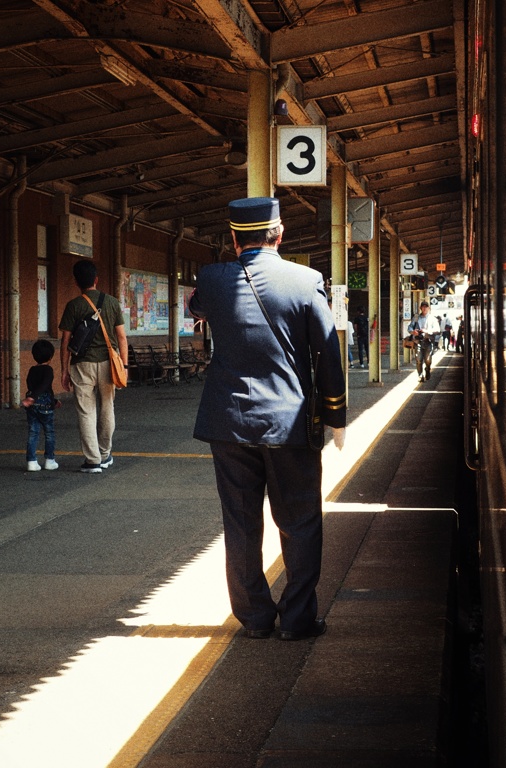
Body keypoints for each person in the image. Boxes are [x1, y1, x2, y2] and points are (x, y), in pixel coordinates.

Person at [188, 197, 347, 642]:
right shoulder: (306, 280)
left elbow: (196, 307)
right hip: (289, 424)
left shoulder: (213, 279)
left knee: (240, 522)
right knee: (299, 522)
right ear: (279, 235)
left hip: (229, 424)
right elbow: (327, 349)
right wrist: (335, 413)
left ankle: (256, 619)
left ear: (234, 238)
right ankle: (296, 620)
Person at [58, 259, 128, 474]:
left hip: (82, 365)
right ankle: (105, 454)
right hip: (109, 362)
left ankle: (92, 460)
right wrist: (124, 365)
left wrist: (64, 370)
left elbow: (66, 341)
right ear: (96, 280)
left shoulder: (73, 306)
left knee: (86, 411)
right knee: (107, 406)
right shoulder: (113, 303)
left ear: (76, 281)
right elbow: (122, 338)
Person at [23, 339, 60, 472]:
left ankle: (31, 461)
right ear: (50, 357)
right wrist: (53, 401)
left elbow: (31, 385)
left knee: (33, 433)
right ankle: (50, 460)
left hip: (32, 407)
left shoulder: (32, 369)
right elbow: (45, 387)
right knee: (49, 432)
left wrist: (31, 398)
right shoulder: (48, 370)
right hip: (45, 407)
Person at [407, 300, 442, 382]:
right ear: (420, 308)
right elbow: (409, 328)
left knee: (428, 359)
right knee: (418, 359)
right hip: (418, 341)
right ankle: (420, 375)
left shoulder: (432, 319)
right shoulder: (416, 318)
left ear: (429, 308)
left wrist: (427, 331)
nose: (424, 308)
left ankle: (427, 369)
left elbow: (437, 329)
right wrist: (413, 332)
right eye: (423, 307)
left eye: (426, 307)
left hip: (428, 341)